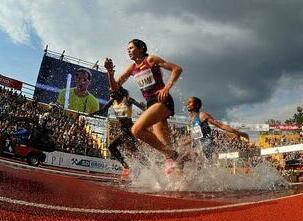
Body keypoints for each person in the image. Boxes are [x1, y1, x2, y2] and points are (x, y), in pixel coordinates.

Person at [104, 39, 182, 173]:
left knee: (136, 130)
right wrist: (110, 73)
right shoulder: (132, 67)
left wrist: (166, 88)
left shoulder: (151, 59)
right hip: (151, 104)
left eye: (131, 48)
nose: (128, 51)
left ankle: (171, 154)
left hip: (162, 100)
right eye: (127, 49)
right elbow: (115, 87)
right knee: (164, 143)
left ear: (141, 48)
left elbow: (177, 69)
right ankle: (180, 172)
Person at [180, 97, 249, 168]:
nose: (187, 104)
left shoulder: (202, 115)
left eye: (190, 102)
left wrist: (238, 133)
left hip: (207, 145)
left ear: (197, 105)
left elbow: (220, 125)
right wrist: (183, 143)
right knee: (188, 163)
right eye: (187, 102)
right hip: (199, 146)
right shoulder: (191, 120)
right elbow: (195, 136)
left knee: (183, 160)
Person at [92, 87, 146, 177]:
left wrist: (146, 108)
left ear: (118, 92)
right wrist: (92, 114)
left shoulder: (127, 100)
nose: (110, 94)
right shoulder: (112, 101)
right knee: (113, 147)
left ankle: (148, 166)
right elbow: (103, 110)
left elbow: (141, 107)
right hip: (123, 130)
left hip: (130, 130)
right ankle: (127, 166)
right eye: (109, 92)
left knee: (135, 151)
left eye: (112, 92)